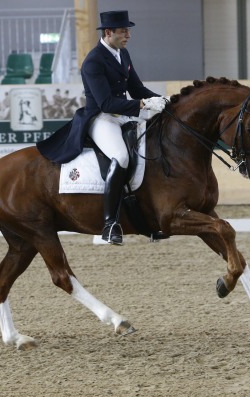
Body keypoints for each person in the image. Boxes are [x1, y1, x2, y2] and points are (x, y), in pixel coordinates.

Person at [36, 10, 167, 245]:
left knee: (151, 145)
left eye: (128, 30)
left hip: (124, 115)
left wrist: (165, 101)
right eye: (123, 31)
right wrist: (144, 104)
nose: (128, 35)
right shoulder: (93, 61)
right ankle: (109, 224)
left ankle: (146, 216)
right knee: (121, 156)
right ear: (109, 32)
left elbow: (137, 89)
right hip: (101, 117)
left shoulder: (122, 54)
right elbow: (106, 102)